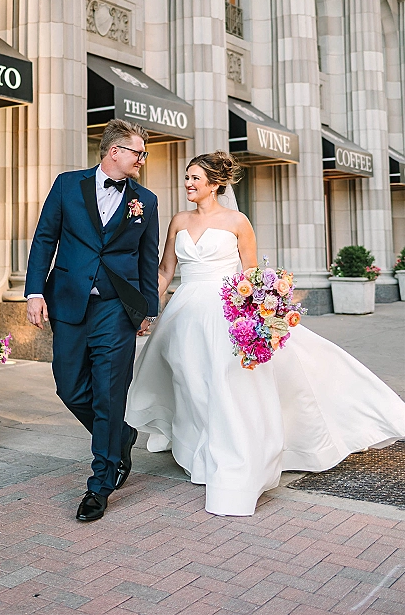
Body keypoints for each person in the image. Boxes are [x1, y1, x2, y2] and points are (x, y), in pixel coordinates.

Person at [125, 151, 405, 517]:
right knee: (189, 382)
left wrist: (258, 321)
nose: (188, 183)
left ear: (214, 183)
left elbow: (252, 276)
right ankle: (199, 448)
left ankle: (233, 455)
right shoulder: (178, 220)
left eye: (195, 177)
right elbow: (164, 271)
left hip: (224, 312)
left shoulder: (238, 221)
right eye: (187, 177)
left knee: (227, 384)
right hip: (183, 314)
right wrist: (147, 308)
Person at [25, 119, 159, 522]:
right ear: (114, 151)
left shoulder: (146, 201)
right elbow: (45, 237)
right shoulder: (68, 185)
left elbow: (147, 260)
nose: (141, 159)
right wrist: (33, 293)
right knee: (69, 387)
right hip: (68, 303)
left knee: (108, 393)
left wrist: (146, 310)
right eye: (138, 152)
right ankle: (121, 437)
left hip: (117, 309)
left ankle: (100, 484)